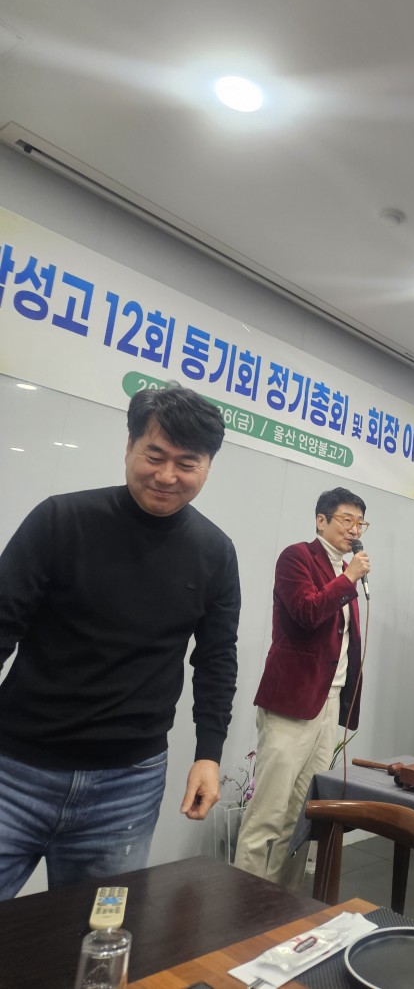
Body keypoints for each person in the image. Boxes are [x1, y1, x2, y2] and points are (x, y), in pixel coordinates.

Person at [0, 384, 240, 899]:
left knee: (96, 936)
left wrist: (209, 754)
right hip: (15, 769)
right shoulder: (60, 520)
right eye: (154, 456)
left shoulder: (216, 552)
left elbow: (216, 659)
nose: (167, 476)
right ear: (129, 446)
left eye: (187, 463)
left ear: (207, 466)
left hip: (127, 788)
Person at [234, 487, 370, 889]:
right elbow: (307, 612)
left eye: (360, 523)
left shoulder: (343, 571)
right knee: (269, 811)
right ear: (320, 521)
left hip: (328, 705)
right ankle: (243, 903)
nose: (354, 530)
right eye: (346, 519)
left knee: (301, 815)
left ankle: (284, 900)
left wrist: (346, 577)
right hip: (292, 704)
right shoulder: (298, 557)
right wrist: (348, 578)